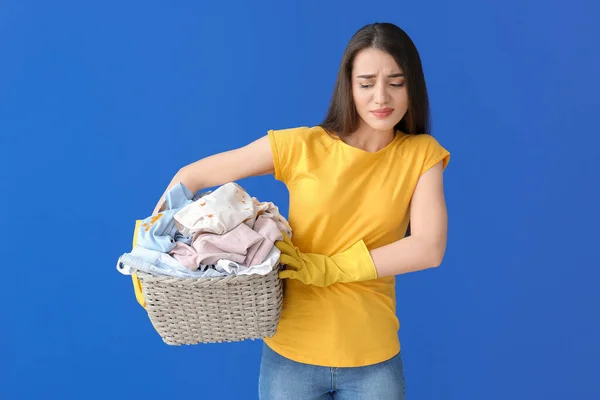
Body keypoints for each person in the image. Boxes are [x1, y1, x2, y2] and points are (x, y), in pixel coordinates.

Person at [152, 22, 450, 400]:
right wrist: (152, 248)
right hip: (290, 357)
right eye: (366, 83)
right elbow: (191, 177)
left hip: (373, 360)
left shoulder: (421, 155)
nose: (381, 97)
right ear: (349, 86)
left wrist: (326, 268)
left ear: (412, 86)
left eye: (395, 82)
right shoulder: (302, 146)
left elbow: (428, 246)